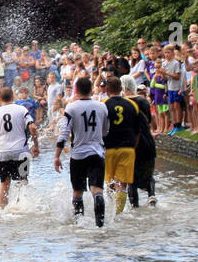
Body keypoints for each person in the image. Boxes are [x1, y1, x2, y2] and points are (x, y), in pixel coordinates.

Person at [54, 76, 108, 225]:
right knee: (97, 190)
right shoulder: (102, 106)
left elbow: (64, 132)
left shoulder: (71, 107)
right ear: (91, 90)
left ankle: (79, 223)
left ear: (76, 90)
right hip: (97, 152)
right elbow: (105, 131)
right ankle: (100, 224)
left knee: (78, 192)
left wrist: (57, 156)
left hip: (78, 154)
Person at [0, 86, 39, 210]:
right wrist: (36, 145)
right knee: (23, 181)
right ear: (13, 96)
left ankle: (4, 210)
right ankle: (23, 208)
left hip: (2, 153)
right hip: (21, 152)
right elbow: (33, 128)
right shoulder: (21, 109)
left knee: (4, 183)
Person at [102, 75, 140, 215]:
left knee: (110, 182)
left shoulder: (104, 104)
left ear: (107, 89)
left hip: (109, 147)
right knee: (122, 184)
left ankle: (110, 210)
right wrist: (134, 145)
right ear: (121, 89)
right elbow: (138, 129)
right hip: (127, 148)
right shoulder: (132, 104)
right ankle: (118, 214)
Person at [123, 76, 157, 207]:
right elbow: (148, 120)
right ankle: (151, 195)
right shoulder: (143, 101)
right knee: (148, 173)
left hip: (131, 143)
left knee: (131, 179)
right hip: (147, 141)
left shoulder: (122, 103)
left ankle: (134, 207)